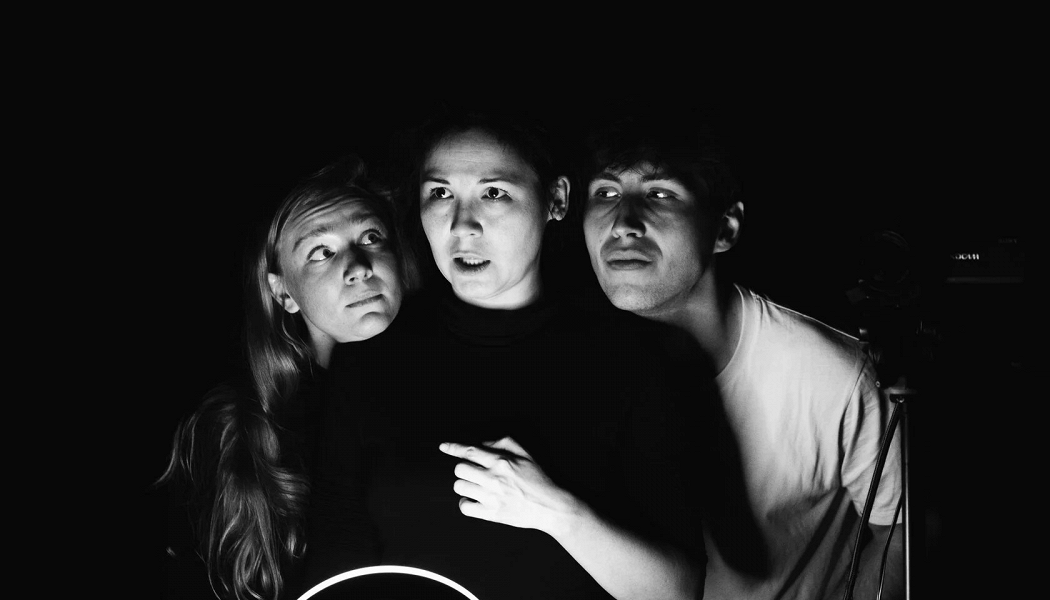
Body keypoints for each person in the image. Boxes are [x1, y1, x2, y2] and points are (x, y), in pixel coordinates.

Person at [303, 108, 708, 600]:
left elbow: (677, 591)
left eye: (494, 193)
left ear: (555, 200)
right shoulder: (370, 360)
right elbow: (335, 560)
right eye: (440, 194)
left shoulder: (629, 360)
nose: (462, 226)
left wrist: (554, 511)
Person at [578, 111, 904, 600]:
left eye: (660, 194)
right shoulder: (567, 363)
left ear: (725, 228)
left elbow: (899, 530)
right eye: (605, 193)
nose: (624, 224)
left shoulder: (832, 374)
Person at [158, 154, 413, 600]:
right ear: (283, 293)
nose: (358, 266)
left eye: (371, 237)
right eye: (322, 252)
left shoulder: (451, 389)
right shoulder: (236, 433)